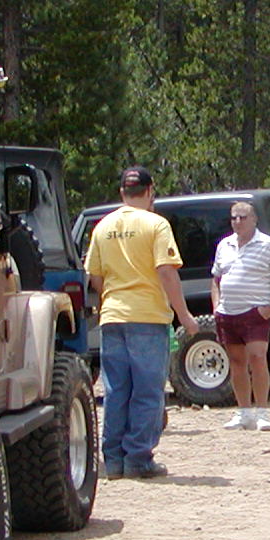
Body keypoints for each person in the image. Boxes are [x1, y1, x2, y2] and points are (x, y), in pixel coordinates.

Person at [84, 166, 199, 479]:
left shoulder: (103, 226)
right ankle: (138, 458)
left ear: (122, 192)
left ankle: (114, 461)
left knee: (116, 390)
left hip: (112, 318)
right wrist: (185, 315)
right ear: (150, 192)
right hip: (147, 317)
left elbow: (94, 278)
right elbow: (166, 271)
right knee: (147, 391)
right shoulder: (156, 224)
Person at [211, 201, 270, 432]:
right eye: (234, 217)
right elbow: (216, 278)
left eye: (243, 217)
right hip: (228, 313)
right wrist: (217, 305)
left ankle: (263, 413)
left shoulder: (268, 245)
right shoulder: (224, 245)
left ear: (254, 219)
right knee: (237, 362)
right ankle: (244, 412)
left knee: (258, 357)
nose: (238, 221)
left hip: (255, 312)